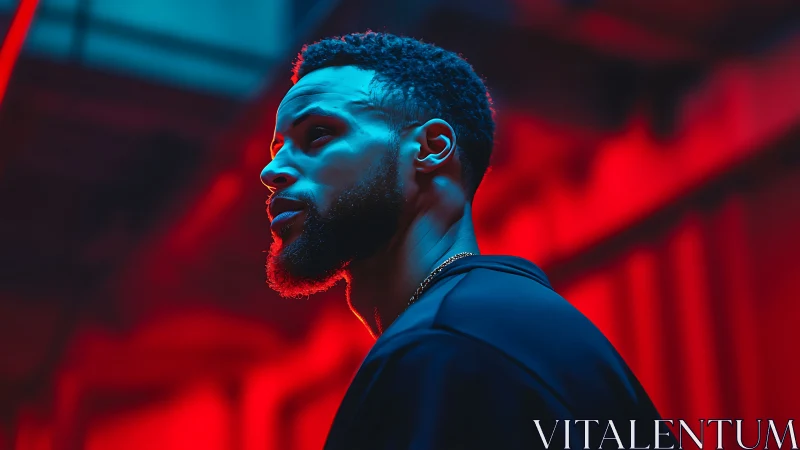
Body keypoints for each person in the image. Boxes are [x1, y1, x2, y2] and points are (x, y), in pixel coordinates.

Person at [260, 31, 676, 450]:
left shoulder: (441, 349)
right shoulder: (501, 324)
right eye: (277, 149)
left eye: (317, 135)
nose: (271, 171)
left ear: (430, 148)